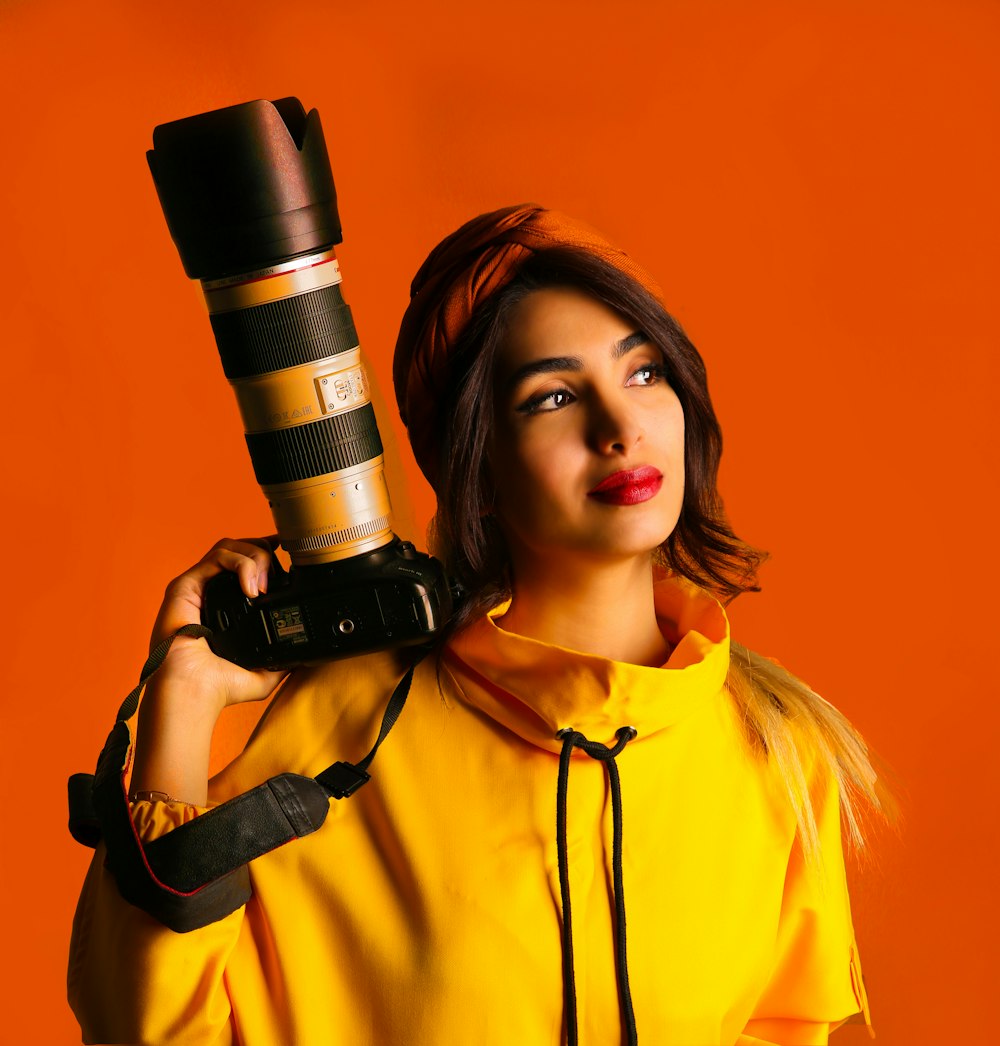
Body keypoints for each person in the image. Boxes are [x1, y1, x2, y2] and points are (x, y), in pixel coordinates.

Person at [69, 204, 880, 1045]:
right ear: (477, 462)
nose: (620, 428)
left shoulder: (779, 749)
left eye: (645, 374)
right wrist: (184, 696)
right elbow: (144, 1029)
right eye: (554, 397)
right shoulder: (348, 730)